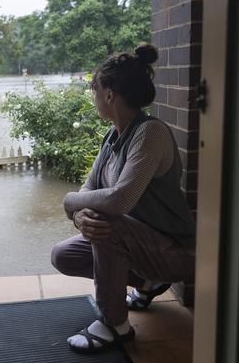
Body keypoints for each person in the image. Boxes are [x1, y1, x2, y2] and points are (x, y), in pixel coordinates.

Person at [51, 44, 196, 354]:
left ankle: (115, 323)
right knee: (63, 255)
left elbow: (118, 201)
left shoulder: (150, 133)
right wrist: (78, 215)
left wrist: (69, 201)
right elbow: (88, 189)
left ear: (110, 95)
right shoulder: (112, 137)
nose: (94, 100)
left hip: (177, 251)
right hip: (140, 242)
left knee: (107, 223)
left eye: (96, 92)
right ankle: (147, 283)